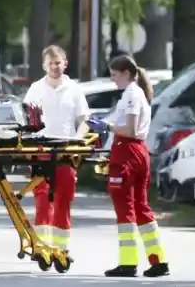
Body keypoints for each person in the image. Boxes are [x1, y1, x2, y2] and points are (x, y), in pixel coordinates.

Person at [86, 54, 170, 278]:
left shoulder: (132, 95)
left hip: (128, 152)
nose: (113, 80)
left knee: (125, 208)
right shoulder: (136, 93)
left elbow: (130, 129)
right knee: (142, 207)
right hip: (138, 152)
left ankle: (128, 263)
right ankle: (158, 260)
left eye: (115, 75)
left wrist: (107, 126)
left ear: (126, 73)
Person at [21, 45, 89, 260]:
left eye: (58, 62)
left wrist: (78, 139)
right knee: (42, 200)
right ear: (44, 65)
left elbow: (84, 120)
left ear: (65, 63)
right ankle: (42, 248)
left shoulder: (74, 90)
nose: (54, 67)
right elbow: (25, 119)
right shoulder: (35, 89)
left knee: (63, 200)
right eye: (50, 63)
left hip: (66, 150)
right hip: (41, 150)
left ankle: (61, 249)